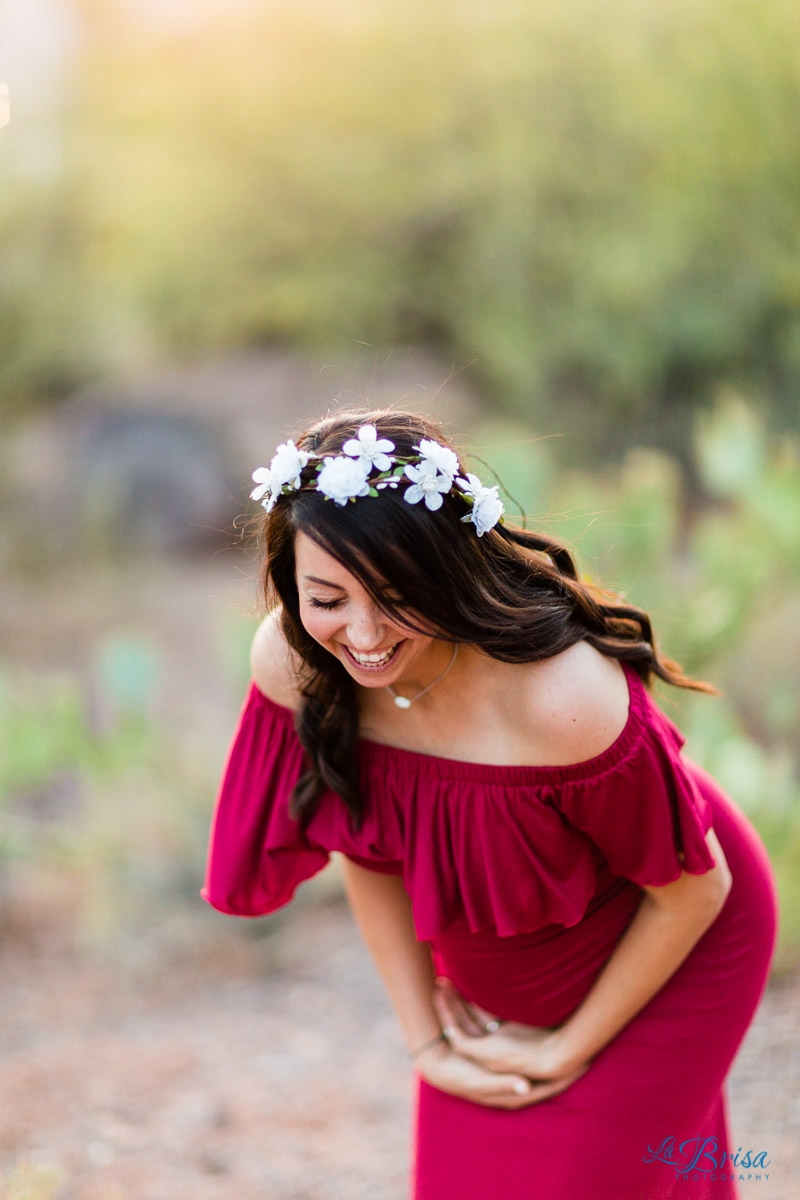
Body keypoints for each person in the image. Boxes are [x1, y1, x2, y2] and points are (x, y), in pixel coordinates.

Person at [202, 408, 778, 1199]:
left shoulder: (563, 699)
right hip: (501, 971)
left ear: (449, 570)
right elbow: (367, 848)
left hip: (675, 932)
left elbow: (695, 889)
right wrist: (426, 1041)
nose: (364, 635)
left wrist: (564, 1050)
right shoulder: (299, 666)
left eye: (397, 595)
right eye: (327, 597)